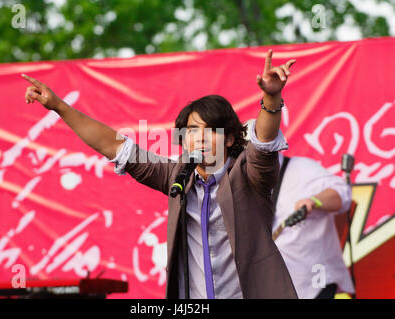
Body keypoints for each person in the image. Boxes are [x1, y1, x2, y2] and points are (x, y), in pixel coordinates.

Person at [22, 49, 298, 299]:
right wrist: (60, 107)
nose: (199, 138)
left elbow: (263, 143)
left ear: (229, 139)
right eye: (191, 130)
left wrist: (271, 97)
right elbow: (114, 146)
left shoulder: (249, 175)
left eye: (209, 129)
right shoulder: (178, 176)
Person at [268, 150, 355, 299]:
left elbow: (343, 194)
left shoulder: (302, 168)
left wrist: (315, 202)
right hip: (272, 284)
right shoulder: (239, 177)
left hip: (314, 282)